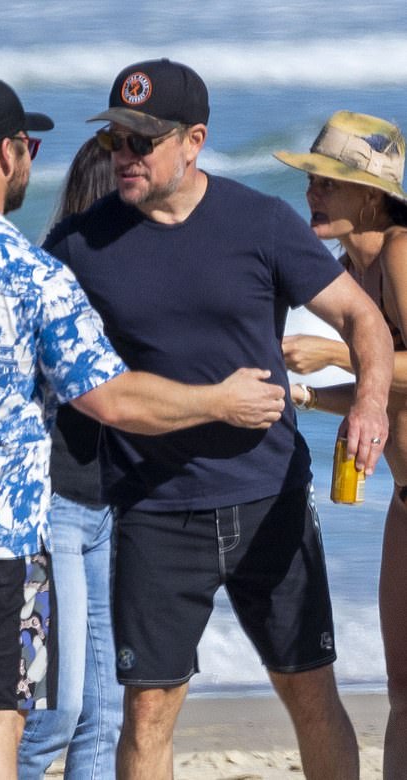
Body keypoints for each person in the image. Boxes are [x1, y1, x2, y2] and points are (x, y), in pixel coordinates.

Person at [0, 74, 288, 780]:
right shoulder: (34, 272)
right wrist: (218, 401)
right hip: (5, 536)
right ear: (8, 155)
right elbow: (109, 399)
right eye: (30, 146)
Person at [42, 59, 395, 780]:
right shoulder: (82, 245)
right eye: (116, 140)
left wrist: (367, 401)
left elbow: (364, 320)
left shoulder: (259, 222)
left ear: (194, 140)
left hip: (269, 497)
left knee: (309, 692)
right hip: (154, 508)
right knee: (148, 713)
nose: (126, 156)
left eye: (144, 140)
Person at [275, 110, 407, 780]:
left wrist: (340, 350)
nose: (313, 193)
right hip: (403, 502)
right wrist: (306, 398)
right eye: (313, 179)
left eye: (330, 181)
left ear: (373, 195)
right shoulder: (348, 271)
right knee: (400, 691)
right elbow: (386, 394)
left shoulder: (401, 253)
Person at [18, 138, 121, 779]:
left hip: (115, 503)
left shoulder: (141, 275)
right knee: (56, 713)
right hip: (56, 502)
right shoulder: (58, 270)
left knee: (104, 718)